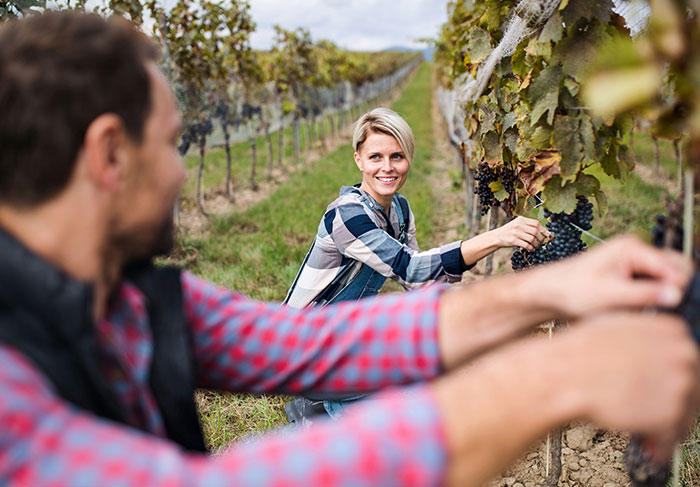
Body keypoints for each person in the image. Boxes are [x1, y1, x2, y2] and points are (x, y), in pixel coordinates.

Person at [0, 11, 698, 487]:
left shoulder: (130, 298)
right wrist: (559, 376)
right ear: (109, 155)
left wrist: (550, 290)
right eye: (170, 144)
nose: (182, 169)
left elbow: (308, 344)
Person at [283, 107, 549, 420]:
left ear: (409, 158)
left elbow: (420, 285)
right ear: (358, 160)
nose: (387, 167)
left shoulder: (400, 209)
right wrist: (496, 237)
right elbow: (409, 266)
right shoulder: (347, 216)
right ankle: (320, 419)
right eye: (375, 157)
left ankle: (327, 401)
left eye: (397, 156)